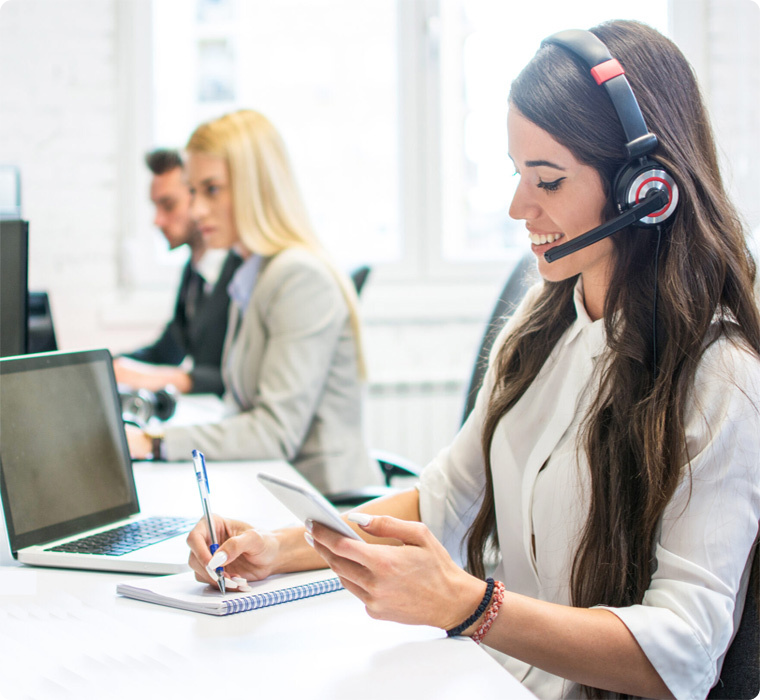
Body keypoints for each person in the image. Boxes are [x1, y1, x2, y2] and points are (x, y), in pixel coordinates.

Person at [185, 21, 760, 699]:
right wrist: (278, 547)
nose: (520, 207)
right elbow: (446, 497)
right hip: (492, 678)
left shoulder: (720, 380)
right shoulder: (544, 320)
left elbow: (686, 655)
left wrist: (471, 605)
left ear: (646, 191)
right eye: (519, 173)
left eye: (547, 180)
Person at [126, 111, 377, 496]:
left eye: (212, 189)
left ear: (256, 188)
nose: (196, 211)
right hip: (281, 491)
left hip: (327, 506)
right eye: (193, 191)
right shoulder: (253, 273)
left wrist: (154, 442)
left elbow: (273, 433)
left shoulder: (298, 277)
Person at [114, 148, 241, 396]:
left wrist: (163, 379)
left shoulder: (241, 274)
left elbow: (236, 379)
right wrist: (109, 364)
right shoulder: (193, 272)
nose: (158, 220)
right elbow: (168, 351)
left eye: (168, 205)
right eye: (156, 206)